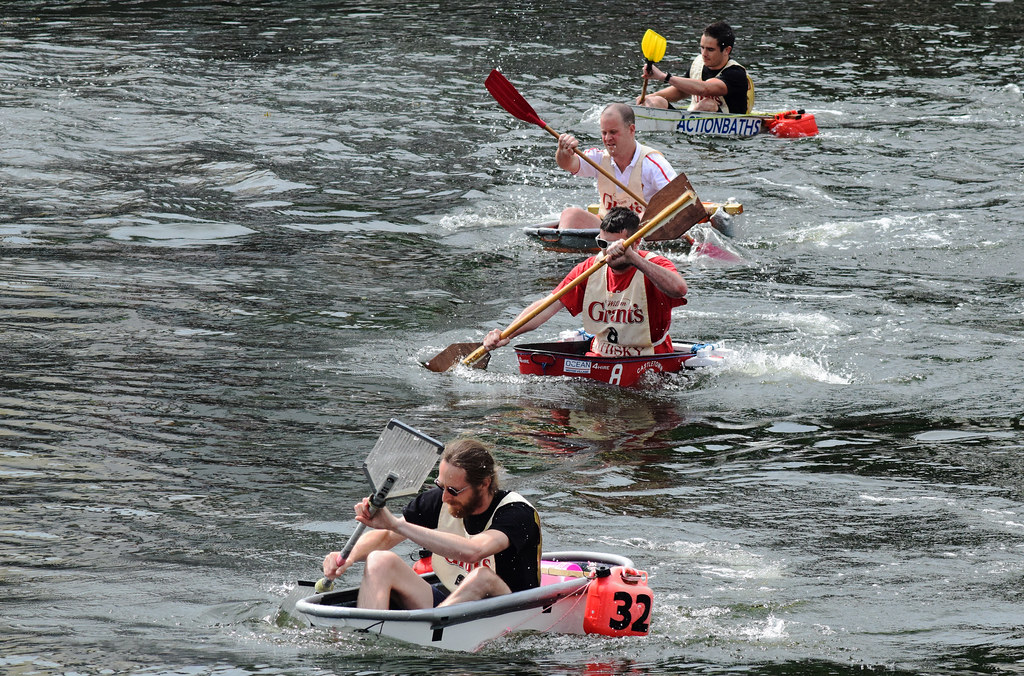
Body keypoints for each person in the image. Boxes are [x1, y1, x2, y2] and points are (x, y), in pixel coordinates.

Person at [322, 439, 541, 610]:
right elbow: (387, 537)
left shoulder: (516, 513)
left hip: (508, 606)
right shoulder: (440, 499)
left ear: (484, 484)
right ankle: (366, 636)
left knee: (481, 577)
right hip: (452, 601)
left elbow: (474, 551)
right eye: (441, 485)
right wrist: (347, 558)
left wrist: (396, 525)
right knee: (379, 559)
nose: (444, 497)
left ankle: (432, 626)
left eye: (453, 490)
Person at [484, 207, 688, 358]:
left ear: (636, 242)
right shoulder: (589, 269)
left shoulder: (654, 264)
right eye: (602, 244)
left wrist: (633, 258)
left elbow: (679, 290)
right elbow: (547, 306)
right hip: (601, 356)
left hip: (648, 357)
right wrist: (507, 333)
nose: (607, 252)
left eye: (615, 245)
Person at [555, 102, 676, 230]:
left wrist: (646, 216)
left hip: (641, 230)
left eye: (613, 132)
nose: (607, 138)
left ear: (631, 129)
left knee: (643, 217)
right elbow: (568, 164)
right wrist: (563, 151)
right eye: (604, 133)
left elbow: (677, 196)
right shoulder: (598, 158)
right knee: (570, 214)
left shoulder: (652, 163)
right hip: (608, 230)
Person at [639, 21, 754, 114]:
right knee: (656, 101)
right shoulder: (698, 62)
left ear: (727, 50)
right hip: (694, 117)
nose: (704, 53)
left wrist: (665, 77)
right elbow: (681, 91)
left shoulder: (735, 73)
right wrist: (649, 97)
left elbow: (704, 89)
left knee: (708, 104)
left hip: (730, 125)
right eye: (702, 48)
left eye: (710, 49)